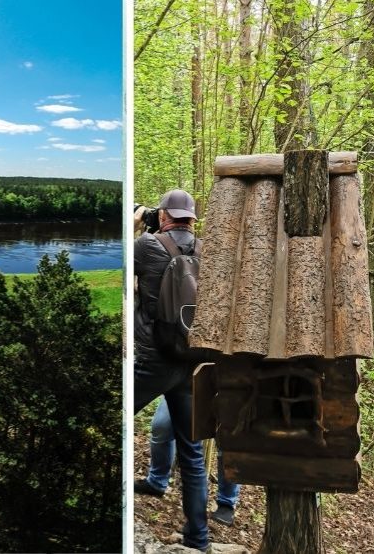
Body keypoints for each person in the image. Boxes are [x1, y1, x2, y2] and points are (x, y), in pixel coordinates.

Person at [134, 189, 208, 551]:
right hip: (190, 365)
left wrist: (134, 227)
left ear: (164, 214)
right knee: (192, 454)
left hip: (153, 362)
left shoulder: (147, 245)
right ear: (192, 218)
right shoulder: (208, 250)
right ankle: (199, 538)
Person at [137, 397, 241, 526]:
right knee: (162, 426)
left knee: (229, 443)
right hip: (187, 382)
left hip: (228, 388)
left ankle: (227, 503)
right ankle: (156, 482)